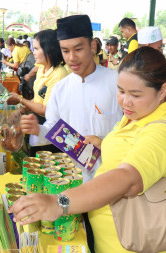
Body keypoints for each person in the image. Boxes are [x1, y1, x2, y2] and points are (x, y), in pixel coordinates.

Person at [10, 46, 166, 253]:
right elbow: (131, 149)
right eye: (121, 91)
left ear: (163, 90)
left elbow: (126, 179)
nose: (126, 102)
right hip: (112, 243)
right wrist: (105, 143)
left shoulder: (160, 132)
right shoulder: (142, 114)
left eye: (135, 94)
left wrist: (59, 203)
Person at [20, 14, 122, 182]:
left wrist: (105, 144)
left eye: (78, 49)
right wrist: (37, 129)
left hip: (112, 174)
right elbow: (54, 127)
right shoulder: (61, 88)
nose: (71, 58)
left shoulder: (117, 82)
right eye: (65, 51)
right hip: (73, 177)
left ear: (92, 46)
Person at [7, 29, 69, 155]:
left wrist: (20, 99)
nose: (33, 53)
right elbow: (37, 100)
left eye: (36, 49)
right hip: (39, 125)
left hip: (53, 130)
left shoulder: (59, 74)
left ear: (48, 49)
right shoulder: (41, 68)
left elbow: (46, 109)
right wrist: (21, 110)